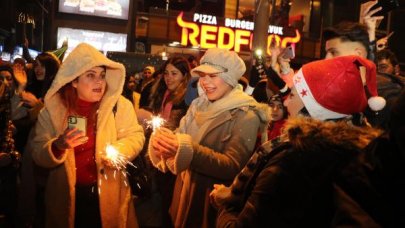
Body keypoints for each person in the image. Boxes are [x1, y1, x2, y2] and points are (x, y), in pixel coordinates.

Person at [210, 55, 399, 227]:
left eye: (292, 95)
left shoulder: (292, 159)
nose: (285, 103)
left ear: (312, 108)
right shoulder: (364, 152)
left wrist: (226, 206)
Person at [148, 48, 269, 228]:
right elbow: (180, 138)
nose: (204, 82)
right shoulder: (198, 105)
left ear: (229, 77)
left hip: (209, 206)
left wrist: (186, 149)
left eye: (212, 76)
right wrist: (165, 142)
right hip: (183, 196)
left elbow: (233, 166)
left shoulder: (246, 115)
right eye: (202, 75)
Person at [30, 43, 145, 227]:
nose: (99, 82)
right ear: (74, 80)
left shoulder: (119, 105)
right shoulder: (53, 110)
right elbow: (37, 152)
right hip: (66, 197)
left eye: (102, 75)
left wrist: (119, 150)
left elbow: (136, 136)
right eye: (90, 76)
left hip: (109, 195)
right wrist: (58, 145)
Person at [136, 56, 191, 227]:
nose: (169, 77)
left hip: (174, 157)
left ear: (184, 75)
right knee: (158, 200)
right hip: (157, 152)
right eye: (166, 73)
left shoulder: (188, 98)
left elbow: (181, 130)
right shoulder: (162, 93)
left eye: (174, 73)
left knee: (170, 204)